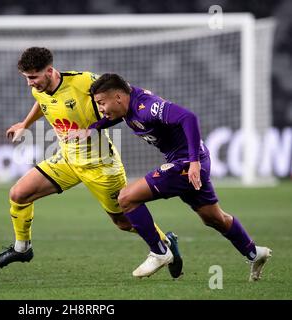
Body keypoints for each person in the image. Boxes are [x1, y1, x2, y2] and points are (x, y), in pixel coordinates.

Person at [0, 47, 183, 278]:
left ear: (49, 71)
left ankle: (164, 241)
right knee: (19, 194)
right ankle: (22, 248)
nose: (30, 83)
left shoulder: (83, 81)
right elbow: (43, 102)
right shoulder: (39, 89)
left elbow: (124, 97)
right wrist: (24, 124)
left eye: (33, 77)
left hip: (100, 164)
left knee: (122, 222)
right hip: (67, 160)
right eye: (26, 78)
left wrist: (92, 129)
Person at [88, 73, 272, 281]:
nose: (101, 109)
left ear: (118, 97)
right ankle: (254, 253)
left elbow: (188, 117)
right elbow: (116, 117)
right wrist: (93, 128)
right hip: (192, 160)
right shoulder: (126, 106)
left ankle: (159, 251)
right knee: (214, 218)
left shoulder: (147, 107)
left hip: (186, 163)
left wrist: (193, 162)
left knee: (126, 198)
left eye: (102, 103)